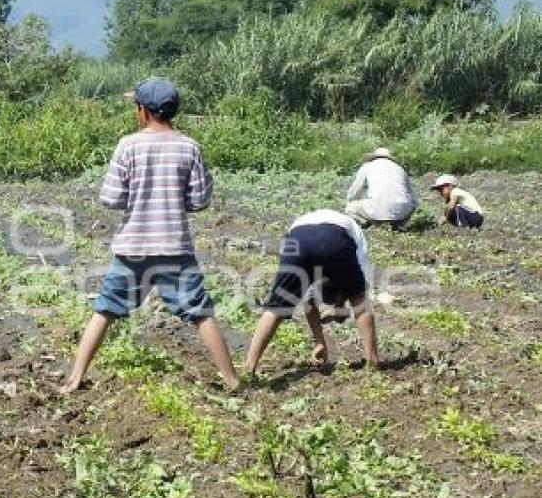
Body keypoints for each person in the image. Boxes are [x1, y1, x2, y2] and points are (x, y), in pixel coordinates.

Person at [60, 78, 239, 393]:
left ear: (143, 111)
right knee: (201, 312)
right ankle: (232, 380)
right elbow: (199, 201)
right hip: (175, 247)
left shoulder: (128, 145)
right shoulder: (189, 146)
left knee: (105, 310)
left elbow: (111, 198)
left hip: (134, 248)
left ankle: (75, 378)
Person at [245, 209, 381, 375]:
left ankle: (249, 367)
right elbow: (361, 290)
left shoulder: (316, 275)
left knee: (276, 307)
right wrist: (349, 300)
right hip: (335, 236)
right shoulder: (354, 231)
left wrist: (319, 342)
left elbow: (310, 300)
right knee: (359, 299)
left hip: (298, 237)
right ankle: (372, 360)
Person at [345, 148, 418, 228]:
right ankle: (399, 224)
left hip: (377, 210)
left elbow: (354, 191)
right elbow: (414, 200)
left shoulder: (367, 166)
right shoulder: (400, 169)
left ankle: (365, 223)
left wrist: (352, 200)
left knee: (349, 208)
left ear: (373, 157)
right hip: (403, 212)